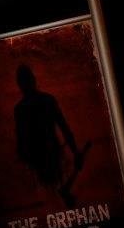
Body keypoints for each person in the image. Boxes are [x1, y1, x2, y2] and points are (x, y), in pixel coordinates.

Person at [14, 63, 89, 208]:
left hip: (43, 162)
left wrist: (76, 153)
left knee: (54, 204)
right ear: (33, 80)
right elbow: (65, 128)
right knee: (58, 203)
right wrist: (76, 153)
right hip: (49, 160)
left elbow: (21, 145)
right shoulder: (45, 101)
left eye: (24, 81)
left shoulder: (22, 109)